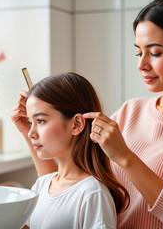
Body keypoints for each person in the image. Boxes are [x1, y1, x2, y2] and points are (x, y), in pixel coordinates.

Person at [16, 0, 163, 229]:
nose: (141, 64)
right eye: (139, 53)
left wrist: (125, 157)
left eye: (155, 53)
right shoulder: (130, 112)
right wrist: (31, 131)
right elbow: (68, 182)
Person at [11, 72, 129, 229]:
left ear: (76, 124)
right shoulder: (42, 185)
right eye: (29, 121)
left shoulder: (92, 194)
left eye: (40, 121)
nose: (31, 133)